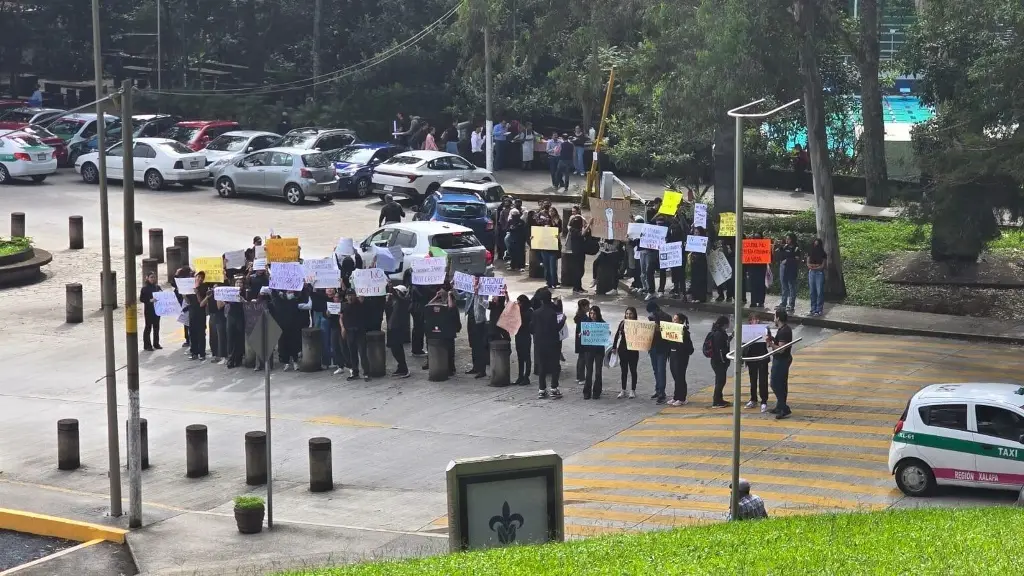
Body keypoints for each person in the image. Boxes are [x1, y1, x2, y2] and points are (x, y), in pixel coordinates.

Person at [531, 288, 563, 399]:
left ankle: (542, 389)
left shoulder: (535, 313)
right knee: (555, 365)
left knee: (542, 365)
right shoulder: (552, 313)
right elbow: (556, 328)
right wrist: (563, 320)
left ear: (541, 300)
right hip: (552, 342)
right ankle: (554, 388)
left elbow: (532, 328)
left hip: (540, 343)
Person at [767, 308, 793, 419]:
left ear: (778, 318)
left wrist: (771, 344)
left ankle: (784, 407)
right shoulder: (783, 329)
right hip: (781, 359)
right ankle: (780, 406)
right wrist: (773, 339)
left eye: (774, 316)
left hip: (781, 360)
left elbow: (781, 349)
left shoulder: (784, 331)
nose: (774, 319)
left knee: (775, 383)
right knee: (781, 384)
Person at [339, 289, 370, 381]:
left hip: (360, 331)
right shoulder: (344, 305)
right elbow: (341, 317)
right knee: (352, 353)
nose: (350, 297)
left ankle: (366, 373)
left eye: (352, 295)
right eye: (348, 295)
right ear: (346, 297)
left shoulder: (360, 304)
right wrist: (342, 328)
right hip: (349, 332)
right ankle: (355, 372)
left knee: (362, 353)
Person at [743, 314, 770, 413]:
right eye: (754, 319)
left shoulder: (764, 329)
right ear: (750, 321)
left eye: (757, 319)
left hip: (762, 357)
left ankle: (764, 401)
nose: (756, 321)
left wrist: (767, 338)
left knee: (763, 380)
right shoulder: (747, 330)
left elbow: (769, 341)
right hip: (751, 357)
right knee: (752, 380)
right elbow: (743, 343)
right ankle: (753, 399)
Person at [611, 307, 640, 398]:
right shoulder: (622, 323)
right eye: (627, 314)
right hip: (623, 349)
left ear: (634, 314)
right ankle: (623, 390)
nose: (628, 315)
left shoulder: (639, 324)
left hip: (633, 350)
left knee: (633, 370)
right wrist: (614, 347)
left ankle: (633, 390)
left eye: (630, 314)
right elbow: (617, 335)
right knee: (624, 371)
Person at [647, 301, 671, 404]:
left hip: (662, 348)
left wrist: (659, 327)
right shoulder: (651, 318)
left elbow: (668, 332)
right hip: (653, 347)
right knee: (656, 370)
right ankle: (658, 389)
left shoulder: (666, 317)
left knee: (661, 370)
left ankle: (661, 392)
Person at [580, 306, 607, 399]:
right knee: (589, 372)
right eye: (591, 313)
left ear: (598, 314)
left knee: (598, 372)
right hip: (588, 350)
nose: (592, 315)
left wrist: (607, 333)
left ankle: (597, 392)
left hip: (599, 351)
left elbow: (605, 336)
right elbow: (585, 334)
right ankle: (587, 392)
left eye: (594, 313)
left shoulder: (602, 323)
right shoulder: (586, 323)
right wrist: (581, 334)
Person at [668, 313, 693, 406]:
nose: (673, 321)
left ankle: (682, 398)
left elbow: (688, 346)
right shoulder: (671, 330)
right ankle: (676, 396)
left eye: (675, 320)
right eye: (673, 319)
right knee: (675, 376)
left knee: (680, 376)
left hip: (681, 356)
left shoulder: (684, 331)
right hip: (673, 354)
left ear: (681, 321)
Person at [386, 284, 411, 378]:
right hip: (393, 328)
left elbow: (398, 296)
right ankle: (401, 367)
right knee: (394, 348)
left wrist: (391, 287)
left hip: (398, 328)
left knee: (397, 349)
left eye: (396, 291)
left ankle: (404, 368)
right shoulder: (395, 302)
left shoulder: (403, 301)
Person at [466, 279, 489, 378]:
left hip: (479, 321)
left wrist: (478, 293)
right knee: (473, 343)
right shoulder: (469, 290)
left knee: (480, 345)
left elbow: (485, 304)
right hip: (470, 319)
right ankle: (475, 367)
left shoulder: (484, 291)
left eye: (477, 280)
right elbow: (459, 296)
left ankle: (482, 370)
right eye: (474, 280)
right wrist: (453, 288)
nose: (475, 282)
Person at [708, 315, 732, 408]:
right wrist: (724, 361)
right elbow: (720, 350)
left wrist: (732, 336)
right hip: (719, 361)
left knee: (719, 380)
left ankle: (719, 399)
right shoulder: (719, 334)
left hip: (716, 361)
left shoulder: (718, 332)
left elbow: (725, 342)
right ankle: (716, 401)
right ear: (724, 324)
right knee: (720, 381)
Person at [776, 233, 801, 313]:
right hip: (783, 268)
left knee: (791, 287)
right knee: (784, 287)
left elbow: (797, 259)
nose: (787, 240)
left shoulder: (796, 248)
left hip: (791, 269)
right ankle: (783, 303)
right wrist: (779, 248)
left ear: (792, 239)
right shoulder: (785, 247)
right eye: (786, 239)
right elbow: (780, 256)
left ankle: (791, 305)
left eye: (788, 239)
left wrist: (788, 260)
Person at [225, 278, 246, 368]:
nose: (239, 284)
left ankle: (238, 359)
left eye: (240, 283)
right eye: (237, 282)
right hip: (231, 316)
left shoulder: (245, 293)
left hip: (241, 317)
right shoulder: (230, 292)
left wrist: (243, 300)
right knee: (230, 338)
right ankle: (230, 360)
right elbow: (224, 302)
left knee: (239, 339)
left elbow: (249, 304)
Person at [187, 271, 209, 360]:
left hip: (200, 313)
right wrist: (183, 294)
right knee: (192, 333)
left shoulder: (204, 287)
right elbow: (188, 301)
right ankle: (194, 353)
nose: (200, 279)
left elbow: (201, 303)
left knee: (201, 333)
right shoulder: (190, 287)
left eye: (202, 278)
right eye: (198, 277)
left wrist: (197, 293)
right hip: (192, 312)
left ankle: (202, 353)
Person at [566, 217, 591, 294]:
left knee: (580, 270)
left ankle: (579, 287)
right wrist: (589, 224)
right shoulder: (574, 230)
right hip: (577, 253)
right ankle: (576, 288)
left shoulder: (575, 229)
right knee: (578, 270)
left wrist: (587, 226)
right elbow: (582, 234)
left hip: (580, 252)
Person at [140, 272, 162, 351]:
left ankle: (156, 344)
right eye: (151, 277)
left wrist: (161, 294)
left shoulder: (157, 287)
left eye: (154, 277)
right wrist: (150, 300)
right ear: (147, 278)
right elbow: (141, 299)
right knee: (148, 327)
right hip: (149, 310)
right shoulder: (144, 288)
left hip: (157, 310)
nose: (153, 279)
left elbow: (162, 297)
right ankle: (147, 345)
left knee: (156, 327)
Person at [514, 294, 533, 386]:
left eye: (519, 303)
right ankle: (520, 376)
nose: (518, 305)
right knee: (520, 357)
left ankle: (526, 377)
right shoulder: (518, 310)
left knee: (526, 357)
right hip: (518, 335)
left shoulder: (529, 311)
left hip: (525, 336)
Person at [747, 232, 768, 308]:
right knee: (753, 286)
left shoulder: (764, 246)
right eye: (755, 238)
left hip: (761, 269)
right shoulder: (750, 246)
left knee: (761, 286)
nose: (756, 239)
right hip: (752, 269)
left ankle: (761, 302)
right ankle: (753, 302)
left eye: (758, 237)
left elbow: (769, 257)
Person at [573, 299, 591, 384]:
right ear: (584, 307)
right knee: (583, 359)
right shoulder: (584, 318)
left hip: (579, 339)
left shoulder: (579, 316)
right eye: (588, 306)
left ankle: (579, 377)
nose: (589, 307)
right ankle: (581, 378)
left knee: (581, 358)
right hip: (583, 340)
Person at [807, 237, 827, 316]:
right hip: (811, 273)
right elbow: (808, 264)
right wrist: (815, 266)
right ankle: (813, 309)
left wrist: (815, 266)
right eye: (814, 244)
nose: (815, 246)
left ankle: (819, 309)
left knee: (819, 292)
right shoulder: (810, 252)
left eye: (817, 245)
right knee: (812, 292)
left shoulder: (823, 254)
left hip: (819, 273)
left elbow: (822, 266)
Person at [689, 227, 709, 302]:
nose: (696, 234)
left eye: (697, 232)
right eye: (695, 232)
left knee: (700, 279)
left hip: (701, 262)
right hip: (694, 262)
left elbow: (706, 251)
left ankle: (701, 297)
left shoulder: (704, 240)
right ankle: (694, 296)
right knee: (694, 279)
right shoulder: (692, 240)